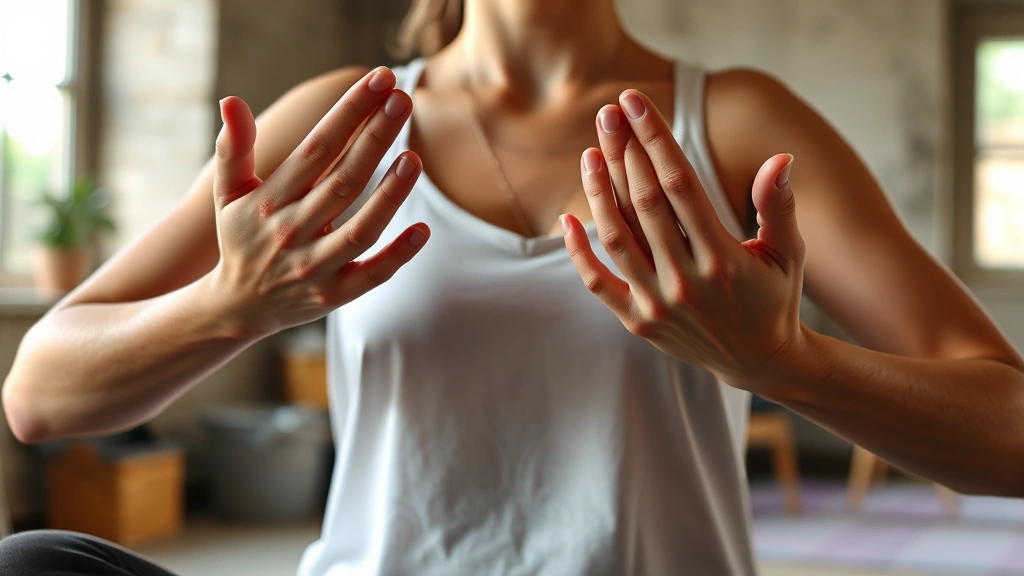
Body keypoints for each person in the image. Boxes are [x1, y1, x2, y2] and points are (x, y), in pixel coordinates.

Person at [3, 0, 1024, 574]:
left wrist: (784, 361)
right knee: (40, 568)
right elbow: (41, 394)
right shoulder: (343, 118)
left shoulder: (739, 123)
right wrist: (226, 306)